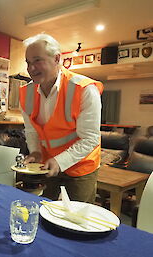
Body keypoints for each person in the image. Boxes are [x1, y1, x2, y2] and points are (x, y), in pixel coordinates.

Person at [20, 34, 103, 203]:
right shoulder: (26, 93)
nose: (31, 68)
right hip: (48, 163)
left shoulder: (84, 89)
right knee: (47, 209)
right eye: (28, 62)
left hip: (81, 165)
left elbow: (90, 139)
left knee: (76, 219)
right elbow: (31, 130)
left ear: (57, 58)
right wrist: (35, 151)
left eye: (37, 60)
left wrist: (60, 161)